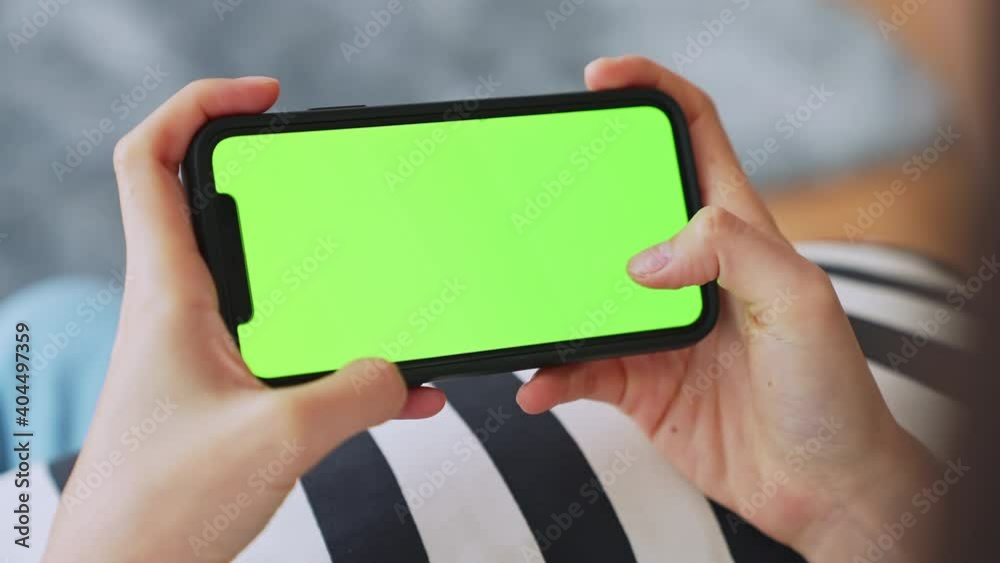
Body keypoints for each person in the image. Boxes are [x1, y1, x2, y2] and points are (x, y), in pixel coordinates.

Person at [0, 52, 970, 563]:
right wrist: (856, 499)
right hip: (853, 448)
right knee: (62, 328)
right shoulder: (887, 482)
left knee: (42, 334)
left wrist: (119, 543)